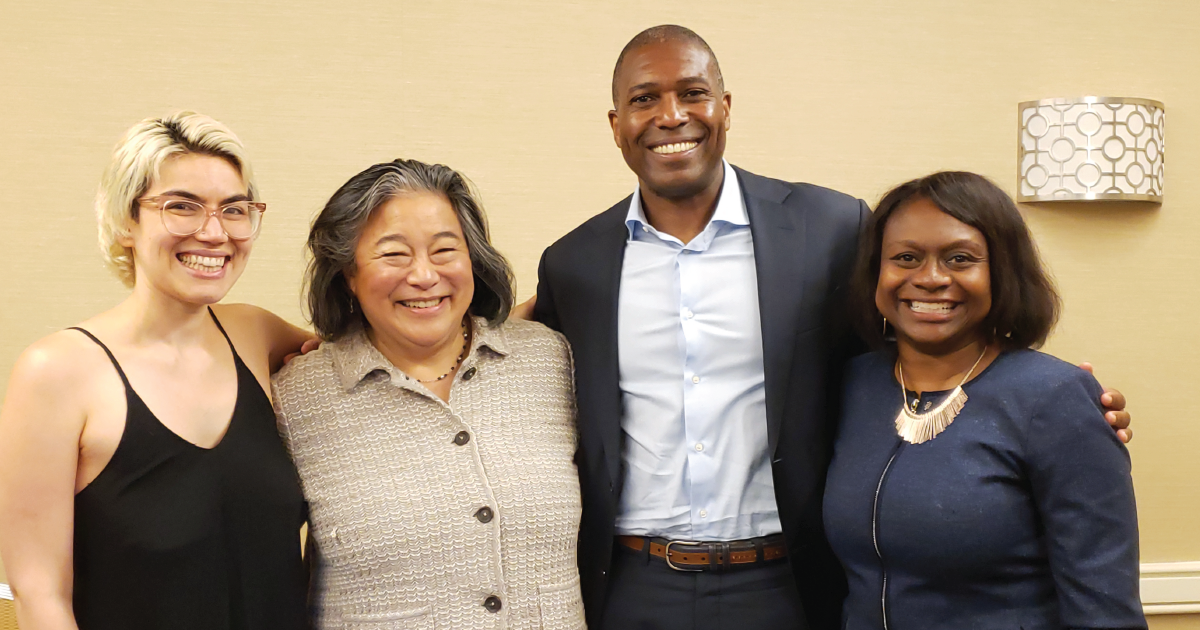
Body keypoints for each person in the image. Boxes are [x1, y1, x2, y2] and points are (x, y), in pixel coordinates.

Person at [531, 25, 1132, 630]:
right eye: (643, 99)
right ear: (615, 124)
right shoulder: (574, 264)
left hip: (795, 584)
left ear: (725, 108)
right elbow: (535, 390)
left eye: (692, 93)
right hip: (635, 585)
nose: (671, 116)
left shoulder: (832, 228)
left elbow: (926, 334)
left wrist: (1062, 412)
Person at [0, 112, 312, 630]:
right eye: (181, 207)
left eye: (234, 209)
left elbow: (370, 357)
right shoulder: (55, 373)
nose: (214, 233)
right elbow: (40, 596)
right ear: (126, 221)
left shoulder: (255, 334)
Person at [823, 171, 1145, 629]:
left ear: (1002, 272)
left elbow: (1103, 603)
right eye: (906, 257)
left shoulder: (1053, 397)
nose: (930, 278)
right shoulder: (852, 386)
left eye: (960, 258)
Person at [272, 159, 585, 629]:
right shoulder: (297, 399)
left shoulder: (549, 360)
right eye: (393, 255)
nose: (423, 276)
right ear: (347, 275)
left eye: (444, 250)